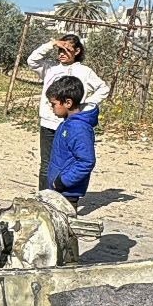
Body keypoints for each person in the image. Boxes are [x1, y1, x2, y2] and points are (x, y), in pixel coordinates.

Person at [27, 33, 109, 191]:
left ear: (77, 51)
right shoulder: (50, 68)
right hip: (48, 123)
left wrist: (85, 105)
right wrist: (51, 43)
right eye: (60, 50)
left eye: (66, 50)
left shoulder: (84, 72)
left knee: (67, 161)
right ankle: (43, 198)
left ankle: (64, 195)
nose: (62, 54)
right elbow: (32, 60)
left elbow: (103, 88)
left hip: (70, 124)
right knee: (46, 164)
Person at [45, 75, 97, 206]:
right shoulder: (66, 123)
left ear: (68, 103)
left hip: (67, 193)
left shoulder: (79, 128)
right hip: (58, 190)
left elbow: (86, 161)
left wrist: (63, 182)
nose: (52, 109)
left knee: (64, 224)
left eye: (54, 104)